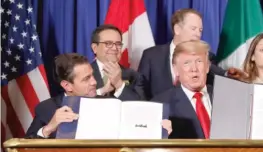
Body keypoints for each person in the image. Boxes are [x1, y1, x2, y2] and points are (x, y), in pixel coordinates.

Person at [25, 53, 172, 139]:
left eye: (92, 76)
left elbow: (138, 118)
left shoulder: (109, 103)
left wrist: (159, 128)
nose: (94, 82)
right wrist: (48, 129)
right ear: (67, 85)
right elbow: (23, 151)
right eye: (86, 79)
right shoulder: (46, 109)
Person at [139, 8, 246, 100]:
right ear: (177, 29)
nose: (198, 34)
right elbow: (140, 89)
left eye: (200, 30)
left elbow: (216, 83)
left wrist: (228, 75)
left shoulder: (208, 57)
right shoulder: (151, 56)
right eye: (193, 29)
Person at [151, 40, 212, 139]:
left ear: (207, 67)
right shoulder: (161, 104)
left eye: (199, 61)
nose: (194, 69)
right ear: (176, 70)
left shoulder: (225, 97)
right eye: (187, 63)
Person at [90, 24, 146, 101]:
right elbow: (76, 100)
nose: (114, 48)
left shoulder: (134, 76)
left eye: (118, 44)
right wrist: (101, 91)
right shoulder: (83, 74)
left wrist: (119, 84)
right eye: (108, 43)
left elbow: (141, 107)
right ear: (95, 48)